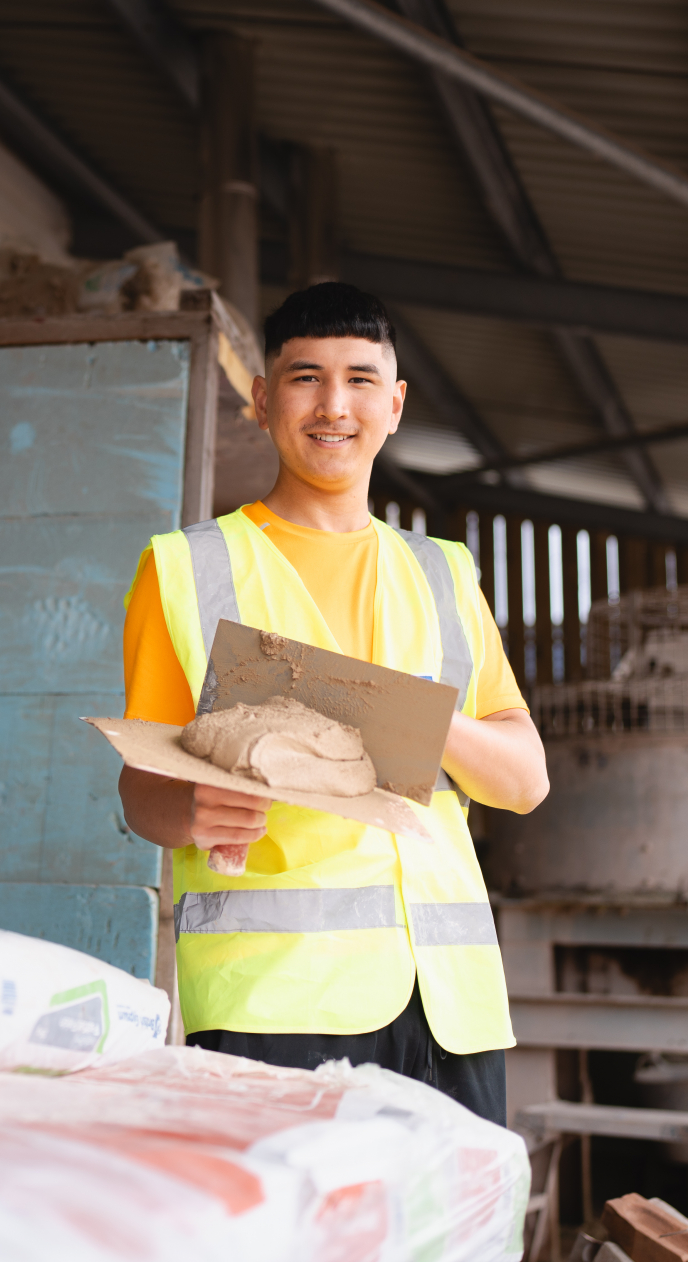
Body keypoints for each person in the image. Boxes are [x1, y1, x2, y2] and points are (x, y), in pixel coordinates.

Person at [119, 282, 548, 1125]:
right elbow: (141, 789)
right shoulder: (184, 568)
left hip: (450, 1009)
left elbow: (524, 781)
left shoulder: (444, 573)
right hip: (276, 1005)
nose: (334, 406)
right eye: (306, 378)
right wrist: (191, 810)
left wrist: (406, 718)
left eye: (360, 380)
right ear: (262, 400)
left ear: (395, 406)